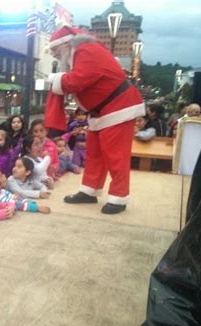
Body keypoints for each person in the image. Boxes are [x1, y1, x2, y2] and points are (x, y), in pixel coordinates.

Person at [46, 25, 145, 214]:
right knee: (95, 153)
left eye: (55, 50)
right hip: (103, 112)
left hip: (118, 107)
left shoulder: (86, 50)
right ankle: (89, 190)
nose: (54, 54)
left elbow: (78, 80)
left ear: (66, 45)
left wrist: (55, 79)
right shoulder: (79, 53)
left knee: (116, 155)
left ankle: (119, 197)